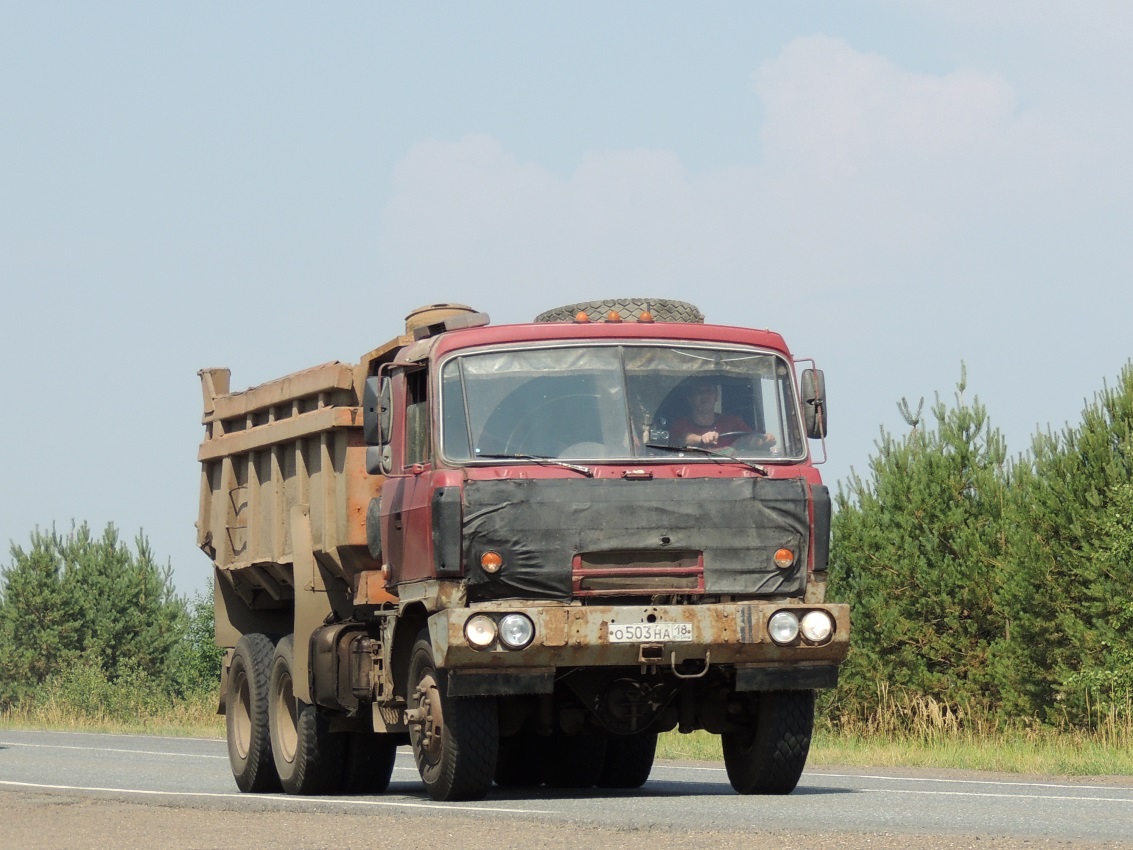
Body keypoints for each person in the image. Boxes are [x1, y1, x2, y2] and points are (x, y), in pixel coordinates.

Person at [671, 379, 775, 450]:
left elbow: (751, 440)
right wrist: (701, 439)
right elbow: (684, 439)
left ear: (716, 397)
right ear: (690, 398)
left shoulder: (732, 422)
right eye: (699, 392)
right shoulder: (680, 424)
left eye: (709, 391)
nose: (705, 395)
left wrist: (765, 440)